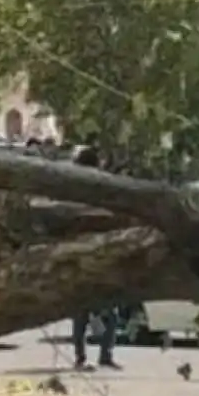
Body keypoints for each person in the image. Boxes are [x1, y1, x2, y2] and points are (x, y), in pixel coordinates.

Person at [71, 133, 121, 370]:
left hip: (81, 253)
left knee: (83, 312)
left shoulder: (76, 188)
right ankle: (102, 355)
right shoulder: (98, 188)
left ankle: (84, 357)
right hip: (99, 253)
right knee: (107, 311)